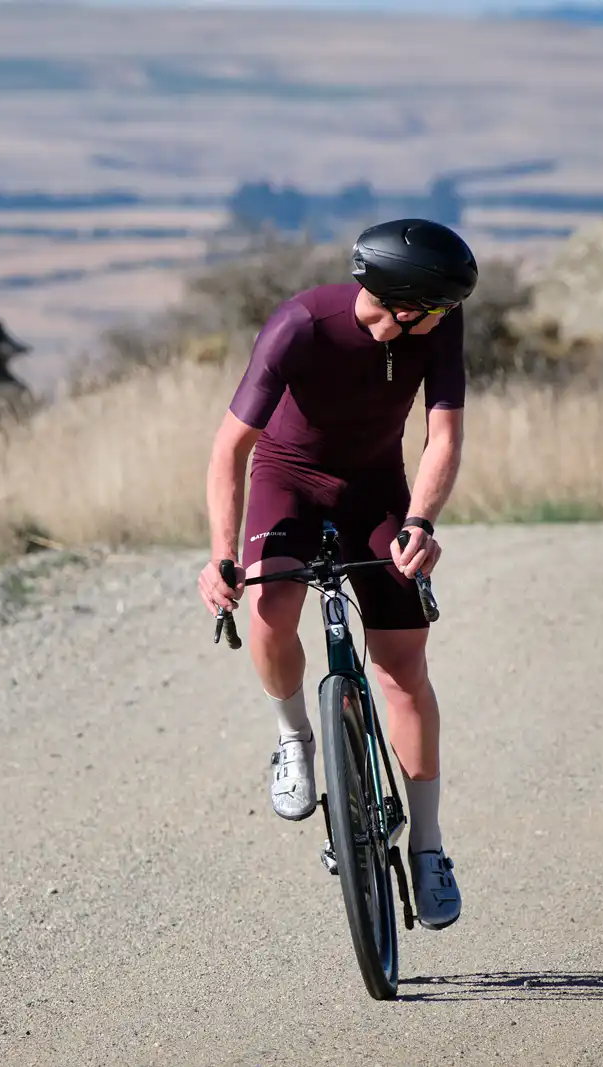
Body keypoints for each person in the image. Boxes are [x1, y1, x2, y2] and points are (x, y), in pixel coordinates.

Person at [196, 217, 476, 930]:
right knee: (270, 606)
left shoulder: (438, 328)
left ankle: (429, 844)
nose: (448, 317)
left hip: (376, 486)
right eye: (439, 307)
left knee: (401, 669)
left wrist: (420, 521)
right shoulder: (301, 325)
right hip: (287, 478)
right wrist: (221, 553)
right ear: (405, 302)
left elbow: (443, 435)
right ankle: (296, 739)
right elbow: (231, 449)